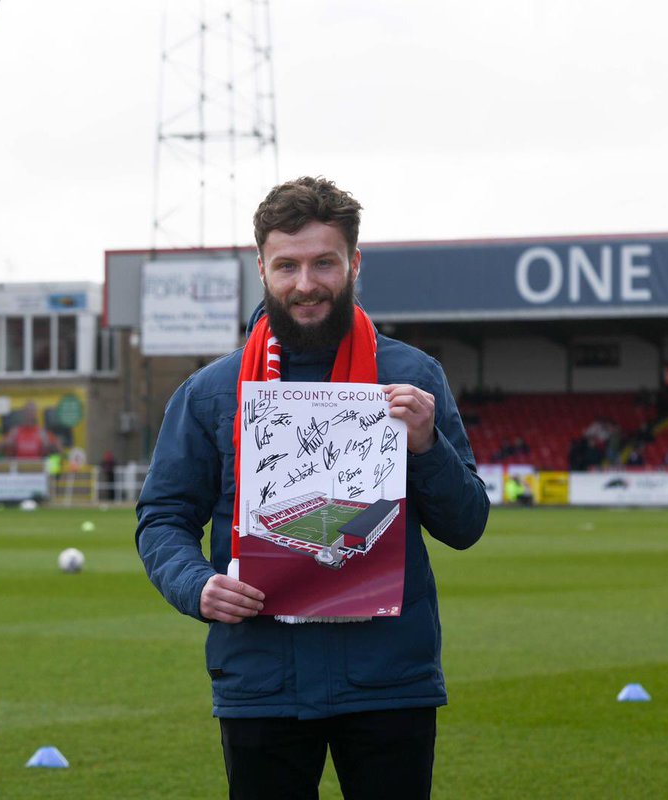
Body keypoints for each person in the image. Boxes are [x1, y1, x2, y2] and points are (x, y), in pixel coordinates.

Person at [135, 176, 490, 800]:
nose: (306, 284)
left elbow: (465, 526)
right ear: (262, 269)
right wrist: (197, 585)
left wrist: (427, 446)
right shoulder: (211, 391)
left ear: (354, 262)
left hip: (388, 677)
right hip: (259, 677)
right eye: (287, 265)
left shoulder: (410, 377)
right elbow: (163, 517)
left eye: (324, 262)